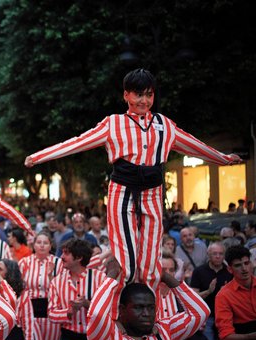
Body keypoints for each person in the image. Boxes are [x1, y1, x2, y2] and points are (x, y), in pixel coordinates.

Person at [25, 68, 241, 291]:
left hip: (153, 193)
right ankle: (114, 309)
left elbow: (195, 145)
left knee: (150, 266)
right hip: (122, 192)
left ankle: (147, 314)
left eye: (149, 94)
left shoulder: (164, 125)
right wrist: (39, 157)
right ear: (126, 95)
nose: (144, 100)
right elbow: (77, 143)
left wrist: (223, 159)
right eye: (138, 94)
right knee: (125, 265)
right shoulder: (113, 124)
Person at [18, 232, 62, 340]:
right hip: (30, 314)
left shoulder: (58, 263)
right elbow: (19, 288)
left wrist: (52, 277)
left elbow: (61, 289)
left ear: (50, 245)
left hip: (51, 313)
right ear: (34, 245)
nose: (42, 245)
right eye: (39, 242)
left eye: (45, 243)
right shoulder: (24, 263)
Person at [188, 242, 233, 340]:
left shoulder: (229, 272)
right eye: (215, 254)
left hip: (225, 318)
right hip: (207, 317)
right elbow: (193, 296)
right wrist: (210, 291)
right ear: (209, 254)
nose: (218, 257)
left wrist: (226, 293)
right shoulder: (200, 271)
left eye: (221, 254)